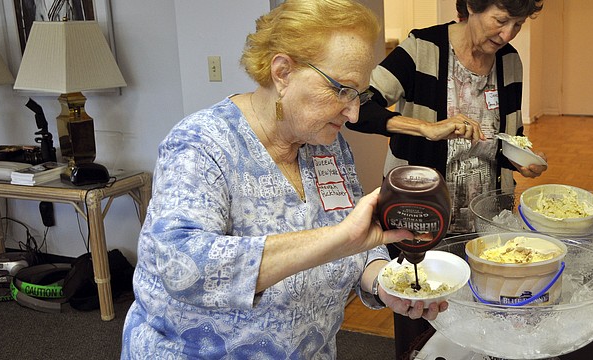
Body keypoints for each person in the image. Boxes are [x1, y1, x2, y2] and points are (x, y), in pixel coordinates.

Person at [120, 1, 447, 358]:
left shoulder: (328, 146)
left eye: (359, 95)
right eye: (342, 90)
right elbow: (182, 265)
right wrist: (336, 239)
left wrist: (387, 284)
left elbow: (359, 243)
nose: (353, 112)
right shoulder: (202, 143)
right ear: (282, 73)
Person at [346, 0, 546, 357]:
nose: (508, 34)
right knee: (419, 322)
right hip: (419, 217)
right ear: (472, 6)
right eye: (501, 21)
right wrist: (424, 127)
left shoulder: (510, 59)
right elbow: (355, 107)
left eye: (518, 24)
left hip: (486, 221)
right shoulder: (422, 48)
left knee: (479, 327)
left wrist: (520, 160)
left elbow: (505, 137)